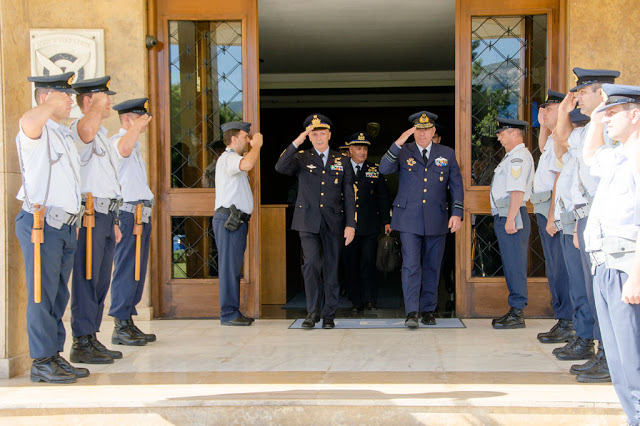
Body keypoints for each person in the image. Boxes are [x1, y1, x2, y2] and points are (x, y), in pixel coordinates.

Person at [15, 72, 90, 383]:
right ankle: (42, 361)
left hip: (64, 225)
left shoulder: (60, 134)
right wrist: (49, 104)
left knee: (58, 295)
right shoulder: (36, 129)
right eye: (64, 96)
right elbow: (28, 122)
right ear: (45, 99)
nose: (71, 100)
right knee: (41, 295)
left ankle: (54, 355)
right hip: (41, 224)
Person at [553, 67, 620, 376]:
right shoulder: (589, 127)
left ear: (600, 92)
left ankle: (610, 358)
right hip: (584, 214)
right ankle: (601, 352)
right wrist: (565, 111)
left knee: (605, 290)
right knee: (593, 290)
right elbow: (563, 140)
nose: (577, 95)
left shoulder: (611, 125)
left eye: (582, 91)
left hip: (601, 213)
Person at [582, 84, 640, 425]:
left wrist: (636, 273)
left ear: (635, 115)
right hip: (604, 265)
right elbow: (590, 157)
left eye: (613, 114)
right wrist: (594, 119)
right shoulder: (618, 153)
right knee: (618, 362)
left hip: (626, 266)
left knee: (632, 360)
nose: (608, 120)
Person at [379, 111, 463, 328]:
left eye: (427, 130)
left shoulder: (447, 153)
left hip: (437, 217)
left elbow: (455, 185)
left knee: (433, 266)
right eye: (418, 130)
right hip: (408, 218)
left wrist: (457, 213)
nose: (422, 134)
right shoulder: (403, 150)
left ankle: (428, 310)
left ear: (434, 131)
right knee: (411, 266)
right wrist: (399, 140)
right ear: (413, 131)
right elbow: (383, 168)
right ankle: (411, 312)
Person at [275, 114, 356, 329]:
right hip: (307, 222)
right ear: (309, 136)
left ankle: (329, 314)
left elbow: (349, 194)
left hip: (334, 222)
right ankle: (312, 312)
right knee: (310, 265)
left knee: (331, 268)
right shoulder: (302, 158)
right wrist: (297, 141)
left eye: (322, 133)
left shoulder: (343, 160)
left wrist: (351, 224)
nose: (319, 138)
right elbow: (280, 167)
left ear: (329, 135)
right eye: (314, 134)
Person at [67, 76, 124, 365]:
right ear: (88, 101)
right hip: (88, 215)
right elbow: (85, 132)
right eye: (105, 98)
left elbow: (107, 180)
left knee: (101, 280)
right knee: (87, 278)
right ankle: (80, 340)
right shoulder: (81, 128)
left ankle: (91, 336)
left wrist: (114, 220)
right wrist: (94, 106)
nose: (110, 103)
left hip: (105, 214)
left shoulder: (101, 132)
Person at [109, 98, 155, 346]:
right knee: (127, 268)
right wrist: (135, 128)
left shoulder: (133, 144)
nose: (145, 122)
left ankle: (127, 320)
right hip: (128, 215)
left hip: (141, 215)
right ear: (127, 119)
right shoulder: (118, 142)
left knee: (137, 271)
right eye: (139, 117)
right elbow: (123, 149)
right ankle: (120, 323)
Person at [531, 90, 573, 344]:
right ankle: (563, 319)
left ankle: (568, 321)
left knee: (560, 268)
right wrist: (543, 125)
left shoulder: (565, 139)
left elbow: (559, 178)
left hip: (552, 207)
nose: (544, 112)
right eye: (542, 108)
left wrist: (552, 216)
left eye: (549, 108)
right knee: (553, 266)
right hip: (545, 205)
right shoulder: (553, 139)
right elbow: (542, 146)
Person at [213, 121, 262, 325]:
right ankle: (229, 313)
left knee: (233, 267)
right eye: (244, 136)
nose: (248, 140)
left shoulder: (234, 158)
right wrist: (257, 145)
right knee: (229, 268)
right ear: (233, 139)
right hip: (229, 220)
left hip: (236, 221)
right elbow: (248, 164)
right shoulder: (229, 158)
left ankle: (232, 311)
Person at [489, 117, 534, 329]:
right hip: (507, 214)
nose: (499, 136)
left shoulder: (518, 158)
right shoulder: (510, 157)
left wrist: (510, 218)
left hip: (512, 214)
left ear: (515, 133)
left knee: (515, 264)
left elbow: (517, 190)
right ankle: (515, 310)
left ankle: (517, 312)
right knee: (510, 262)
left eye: (502, 132)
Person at [341, 132, 390, 311]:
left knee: (368, 263)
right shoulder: (341, 167)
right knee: (350, 264)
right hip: (346, 226)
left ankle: (370, 299)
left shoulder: (374, 170)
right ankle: (356, 301)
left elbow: (383, 197)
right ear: (350, 150)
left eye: (365, 148)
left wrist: (386, 220)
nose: (362, 152)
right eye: (358, 148)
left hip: (369, 225)